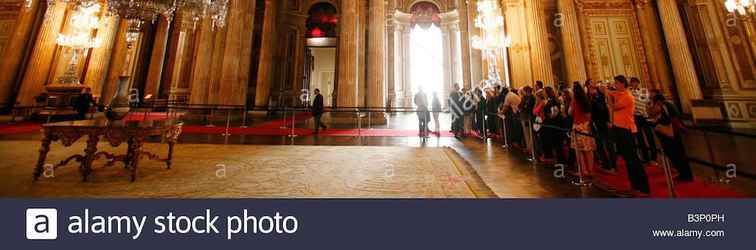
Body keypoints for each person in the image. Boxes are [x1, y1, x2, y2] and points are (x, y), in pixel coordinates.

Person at [605, 75, 650, 195]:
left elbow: (613, 106)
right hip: (619, 129)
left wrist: (607, 95)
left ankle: (643, 188)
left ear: (622, 84)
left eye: (616, 83)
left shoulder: (627, 96)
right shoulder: (620, 94)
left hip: (626, 130)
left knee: (633, 159)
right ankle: (634, 185)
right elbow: (611, 93)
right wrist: (606, 90)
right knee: (628, 159)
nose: (615, 85)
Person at [649, 93, 694, 182]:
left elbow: (669, 120)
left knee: (677, 155)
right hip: (672, 135)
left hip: (671, 135)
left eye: (654, 103)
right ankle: (684, 174)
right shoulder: (667, 105)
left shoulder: (666, 107)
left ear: (658, 102)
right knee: (678, 155)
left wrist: (658, 124)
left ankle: (685, 175)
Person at [570, 82, 597, 178]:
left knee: (579, 150)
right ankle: (591, 170)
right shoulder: (586, 99)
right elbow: (589, 115)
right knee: (588, 150)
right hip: (586, 125)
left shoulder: (574, 100)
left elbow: (570, 112)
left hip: (577, 125)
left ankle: (583, 170)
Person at [631, 77, 657, 164]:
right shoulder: (630, 92)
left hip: (644, 116)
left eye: (636, 82)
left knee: (649, 136)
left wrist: (643, 110)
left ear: (638, 83)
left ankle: (654, 156)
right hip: (636, 116)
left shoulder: (643, 90)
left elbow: (644, 102)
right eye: (633, 83)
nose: (634, 84)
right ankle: (645, 156)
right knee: (639, 137)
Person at [590, 82, 616, 171]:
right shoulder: (595, 99)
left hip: (603, 123)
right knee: (601, 145)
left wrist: (609, 121)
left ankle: (611, 165)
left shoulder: (603, 98)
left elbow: (608, 109)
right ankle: (606, 164)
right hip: (598, 123)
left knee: (607, 144)